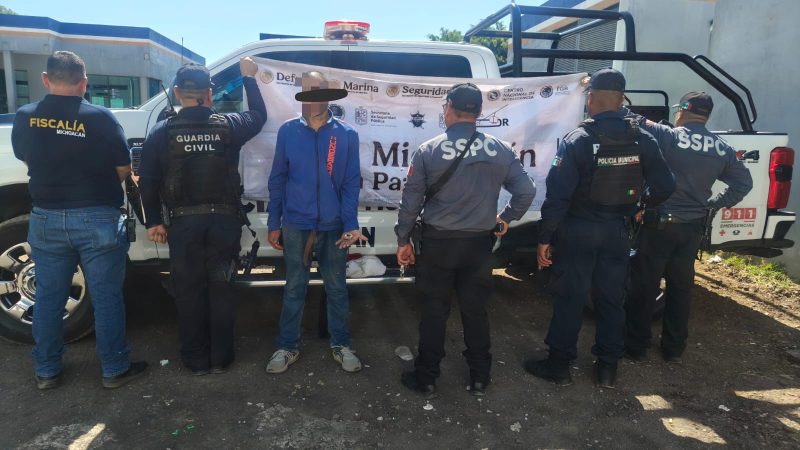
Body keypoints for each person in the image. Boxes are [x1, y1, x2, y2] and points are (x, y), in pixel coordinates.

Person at [524, 69, 675, 389]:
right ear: (621, 100)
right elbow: (666, 185)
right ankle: (607, 369)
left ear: (590, 98)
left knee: (570, 298)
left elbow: (558, 196)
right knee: (611, 300)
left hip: (578, 231)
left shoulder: (578, 139)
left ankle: (559, 365)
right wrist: (641, 205)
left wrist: (545, 237)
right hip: (617, 232)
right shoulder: (642, 138)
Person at [11, 51, 147, 390]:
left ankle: (47, 371)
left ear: (46, 79)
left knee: (48, 298)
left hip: (46, 218)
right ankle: (114, 369)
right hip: (98, 217)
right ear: (84, 83)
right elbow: (123, 167)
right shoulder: (100, 118)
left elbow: (26, 158)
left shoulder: (26, 116)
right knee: (106, 298)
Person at [395, 83, 535, 397]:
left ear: (448, 108)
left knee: (434, 311)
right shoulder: (500, 149)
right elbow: (526, 191)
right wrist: (506, 218)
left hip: (438, 245)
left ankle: (426, 378)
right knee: (475, 311)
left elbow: (411, 202)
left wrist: (403, 240)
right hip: (478, 246)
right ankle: (480, 377)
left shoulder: (429, 150)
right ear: (479, 112)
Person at [138, 58, 266, 375]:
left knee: (188, 292)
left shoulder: (161, 132)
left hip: (184, 226)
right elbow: (259, 116)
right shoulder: (229, 125)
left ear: (177, 93)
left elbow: (148, 182)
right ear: (210, 94)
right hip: (224, 223)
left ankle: (195, 361)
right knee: (221, 288)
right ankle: (221, 359)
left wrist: (153, 221)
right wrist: (249, 78)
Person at [625, 92, 753, 363]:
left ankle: (636, 347)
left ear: (683, 109)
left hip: (658, 226)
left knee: (645, 286)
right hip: (692, 228)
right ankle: (673, 349)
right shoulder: (722, 148)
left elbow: (631, 118)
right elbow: (743, 183)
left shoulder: (669, 135)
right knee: (681, 289)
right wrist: (712, 204)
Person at [265, 71, 365, 374]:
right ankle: (287, 346)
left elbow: (351, 182)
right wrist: (274, 222)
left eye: (318, 90)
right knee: (295, 287)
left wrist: (350, 223)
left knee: (337, 287)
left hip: (334, 226)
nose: (313, 97)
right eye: (308, 90)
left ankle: (341, 344)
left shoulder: (346, 134)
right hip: (297, 224)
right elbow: (278, 178)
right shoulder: (288, 131)